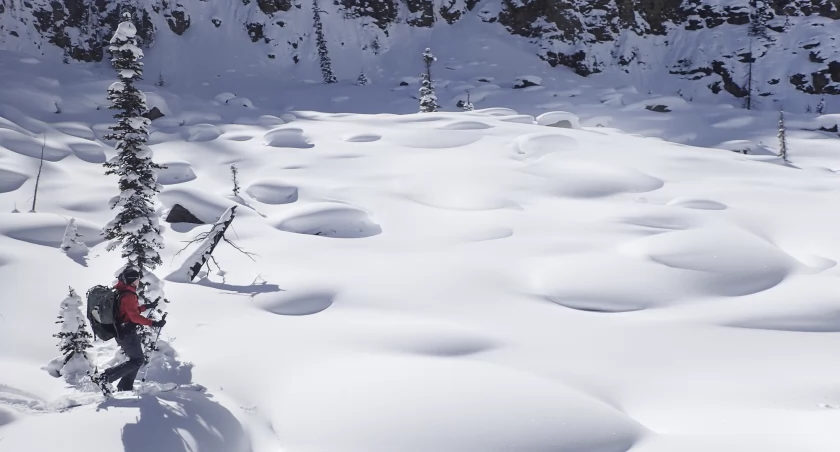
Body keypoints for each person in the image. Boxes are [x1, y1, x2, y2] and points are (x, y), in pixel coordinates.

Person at [92, 267, 166, 393]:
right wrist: (153, 323)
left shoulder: (122, 291)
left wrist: (146, 306)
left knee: (135, 360)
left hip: (121, 331)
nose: (139, 282)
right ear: (132, 281)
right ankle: (105, 378)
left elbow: (127, 311)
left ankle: (124, 388)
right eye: (137, 280)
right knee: (137, 360)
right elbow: (134, 316)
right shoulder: (129, 295)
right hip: (126, 333)